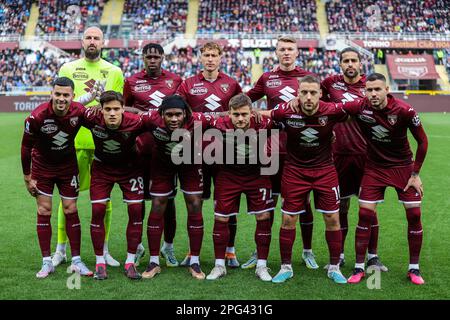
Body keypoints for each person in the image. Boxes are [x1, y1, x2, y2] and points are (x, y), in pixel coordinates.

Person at [260, 75, 349, 284]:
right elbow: (265, 115)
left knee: (332, 218)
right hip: (295, 171)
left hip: (325, 170)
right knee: (288, 219)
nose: (308, 97)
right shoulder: (286, 111)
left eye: (313, 93)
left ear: (320, 94)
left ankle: (334, 267)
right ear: (297, 94)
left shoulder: (332, 110)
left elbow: (360, 110)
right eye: (304, 92)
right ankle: (286, 267)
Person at [341, 73, 428, 285]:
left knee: (414, 215)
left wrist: (415, 173)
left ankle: (414, 268)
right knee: (364, 214)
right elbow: (330, 111)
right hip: (374, 168)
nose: (373, 94)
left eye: (377, 89)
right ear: (364, 91)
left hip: (403, 168)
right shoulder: (359, 107)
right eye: (369, 90)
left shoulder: (404, 110)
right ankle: (359, 267)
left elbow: (423, 142)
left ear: (386, 89)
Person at [53, 26, 124, 268]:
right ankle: (60, 249)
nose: (92, 41)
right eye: (88, 37)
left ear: (104, 42)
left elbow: (117, 109)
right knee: (67, 198)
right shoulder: (68, 68)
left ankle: (103, 251)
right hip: (73, 143)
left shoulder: (114, 71)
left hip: (104, 145)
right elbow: (62, 106)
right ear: (82, 41)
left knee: (105, 201)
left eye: (96, 38)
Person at [245, 35, 318, 270]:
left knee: (303, 204)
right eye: (282, 49)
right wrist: (253, 113)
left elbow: (321, 108)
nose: (286, 53)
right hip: (272, 148)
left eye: (290, 49)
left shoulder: (308, 80)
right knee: (267, 203)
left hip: (302, 150)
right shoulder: (268, 78)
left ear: (297, 53)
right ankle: (260, 252)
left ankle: (307, 251)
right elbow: (244, 101)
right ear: (275, 53)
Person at [320, 47, 387, 271]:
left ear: (360, 64)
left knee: (369, 209)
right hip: (338, 156)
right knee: (342, 208)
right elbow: (313, 100)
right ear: (340, 64)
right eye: (345, 60)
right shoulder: (330, 83)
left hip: (367, 156)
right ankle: (338, 254)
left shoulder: (370, 87)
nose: (350, 64)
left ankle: (372, 256)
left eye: (353, 60)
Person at [177, 42, 242, 268]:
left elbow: (240, 114)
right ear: (200, 58)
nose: (210, 59)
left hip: (225, 151)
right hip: (194, 150)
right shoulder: (188, 84)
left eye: (214, 55)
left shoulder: (232, 84)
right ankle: (192, 251)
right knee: (194, 203)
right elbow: (180, 114)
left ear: (221, 58)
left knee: (228, 202)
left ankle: (230, 251)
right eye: (206, 55)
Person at [21, 77, 92, 278]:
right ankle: (47, 262)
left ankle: (77, 260)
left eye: (66, 95)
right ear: (51, 94)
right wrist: (28, 177)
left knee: (71, 208)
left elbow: (97, 124)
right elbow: (26, 146)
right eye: (58, 94)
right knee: (44, 210)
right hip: (42, 167)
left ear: (73, 96)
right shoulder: (36, 117)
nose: (61, 99)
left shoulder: (79, 112)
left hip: (68, 166)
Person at [123, 43, 182, 267]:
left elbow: (181, 111)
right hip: (139, 151)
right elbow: (123, 109)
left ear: (163, 58)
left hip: (167, 152)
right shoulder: (131, 81)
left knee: (168, 199)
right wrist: (138, 112)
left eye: (156, 57)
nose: (153, 60)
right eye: (149, 57)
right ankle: (137, 246)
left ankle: (168, 246)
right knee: (138, 201)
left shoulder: (175, 81)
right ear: (143, 58)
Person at [141, 95, 212, 280]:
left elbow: (223, 116)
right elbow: (133, 114)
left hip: (190, 162)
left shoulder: (197, 120)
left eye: (178, 115)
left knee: (195, 204)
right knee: (157, 204)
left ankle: (194, 261)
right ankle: (154, 261)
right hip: (162, 164)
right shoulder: (151, 119)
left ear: (185, 114)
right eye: (169, 115)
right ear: (161, 114)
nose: (174, 119)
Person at [205, 93, 274, 282]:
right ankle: (219, 265)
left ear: (252, 112)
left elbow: (289, 119)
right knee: (221, 218)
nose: (241, 119)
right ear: (229, 114)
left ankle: (262, 265)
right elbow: (194, 119)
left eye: (244, 114)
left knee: (263, 217)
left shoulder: (264, 123)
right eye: (236, 115)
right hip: (228, 176)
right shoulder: (218, 124)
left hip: (257, 176)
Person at [82, 91, 148, 280]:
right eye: (108, 109)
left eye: (116, 109)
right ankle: (99, 262)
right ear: (100, 110)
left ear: (123, 109)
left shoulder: (136, 121)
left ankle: (130, 262)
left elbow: (159, 121)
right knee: (97, 211)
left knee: (136, 212)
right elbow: (70, 110)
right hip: (102, 169)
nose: (112, 113)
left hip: (130, 169)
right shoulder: (91, 117)